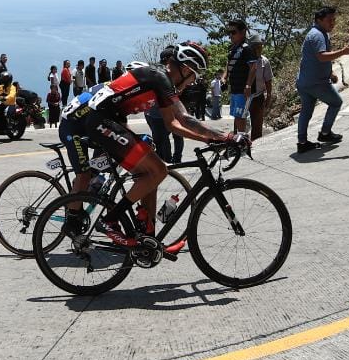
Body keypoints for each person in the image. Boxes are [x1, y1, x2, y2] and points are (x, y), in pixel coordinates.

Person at [59, 41, 241, 244]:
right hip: (92, 122)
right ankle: (109, 219)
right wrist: (217, 138)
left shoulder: (164, 83)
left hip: (106, 121)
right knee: (157, 170)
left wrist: (217, 137)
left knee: (151, 170)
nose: (193, 82)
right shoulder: (158, 77)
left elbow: (181, 119)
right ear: (185, 68)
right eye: (194, 76)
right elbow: (178, 123)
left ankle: (146, 233)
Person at [295, 6, 349, 154]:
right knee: (336, 102)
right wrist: (343, 51)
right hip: (316, 83)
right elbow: (321, 56)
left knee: (306, 111)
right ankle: (325, 133)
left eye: (334, 20)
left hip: (304, 81)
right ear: (319, 20)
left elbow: (314, 59)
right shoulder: (318, 35)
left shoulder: (317, 33)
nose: (333, 23)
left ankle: (302, 142)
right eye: (329, 20)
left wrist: (330, 73)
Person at [144, 46, 185, 163]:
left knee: (166, 139)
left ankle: (171, 160)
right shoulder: (164, 73)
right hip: (160, 112)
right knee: (170, 138)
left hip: (157, 113)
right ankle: (173, 161)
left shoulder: (156, 70)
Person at [222, 18, 257, 135]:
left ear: (242, 32)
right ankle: (240, 138)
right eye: (229, 33)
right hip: (235, 89)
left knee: (241, 115)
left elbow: (253, 67)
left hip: (243, 89)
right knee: (236, 115)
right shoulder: (232, 49)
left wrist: (248, 85)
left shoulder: (247, 48)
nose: (230, 35)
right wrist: (224, 77)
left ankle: (242, 139)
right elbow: (229, 64)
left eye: (233, 32)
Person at [242, 33, 274, 140]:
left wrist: (268, 96)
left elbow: (268, 80)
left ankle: (255, 145)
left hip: (258, 97)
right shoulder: (243, 60)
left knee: (257, 124)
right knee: (242, 123)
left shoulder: (264, 61)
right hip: (244, 97)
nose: (259, 49)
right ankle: (239, 144)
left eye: (260, 46)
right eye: (256, 46)